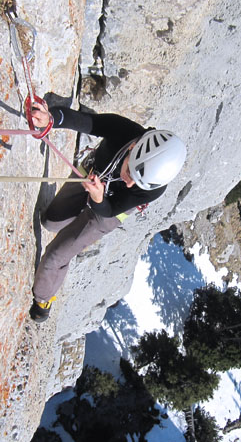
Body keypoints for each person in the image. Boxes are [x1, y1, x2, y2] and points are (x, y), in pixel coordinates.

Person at [28, 101, 187, 322]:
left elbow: (110, 210)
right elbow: (84, 122)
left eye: (138, 182)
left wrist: (99, 199)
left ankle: (43, 298)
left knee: (55, 256)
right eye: (131, 172)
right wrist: (51, 118)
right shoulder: (124, 131)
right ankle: (67, 227)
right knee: (49, 222)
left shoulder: (153, 188)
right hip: (91, 174)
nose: (130, 183)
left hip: (107, 212)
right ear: (133, 148)